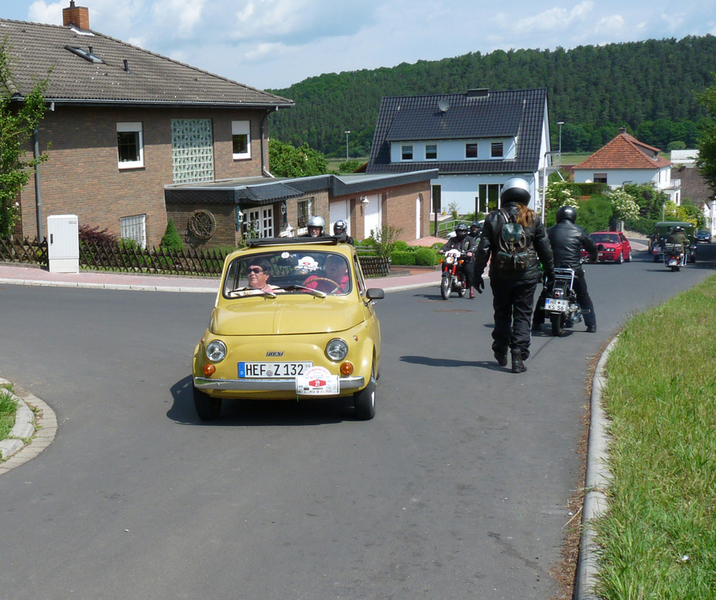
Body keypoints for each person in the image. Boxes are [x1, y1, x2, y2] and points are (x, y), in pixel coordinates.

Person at [473, 178, 554, 373]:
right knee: (523, 315)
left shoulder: (493, 218)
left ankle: (500, 349)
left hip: (500, 275)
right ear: (526, 195)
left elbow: (483, 249)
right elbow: (544, 247)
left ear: (505, 195)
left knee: (502, 312)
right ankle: (518, 355)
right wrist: (550, 271)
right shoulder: (532, 217)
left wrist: (477, 274)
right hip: (527, 275)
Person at [532, 205, 598, 333]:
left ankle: (536, 322)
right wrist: (593, 258)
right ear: (573, 217)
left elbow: (540, 245)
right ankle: (591, 325)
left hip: (553, 269)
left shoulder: (549, 231)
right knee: (583, 295)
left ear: (558, 216)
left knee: (545, 293)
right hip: (573, 270)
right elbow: (592, 247)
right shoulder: (579, 231)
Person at [438, 222, 477, 298]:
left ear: (466, 231)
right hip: (454, 259)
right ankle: (447, 278)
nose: (461, 232)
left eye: (463, 231)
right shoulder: (452, 240)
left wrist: (470, 252)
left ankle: (471, 288)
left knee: (469, 270)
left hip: (465, 259)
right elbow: (447, 246)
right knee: (445, 263)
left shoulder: (469, 239)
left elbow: (473, 246)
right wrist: (442, 250)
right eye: (459, 231)